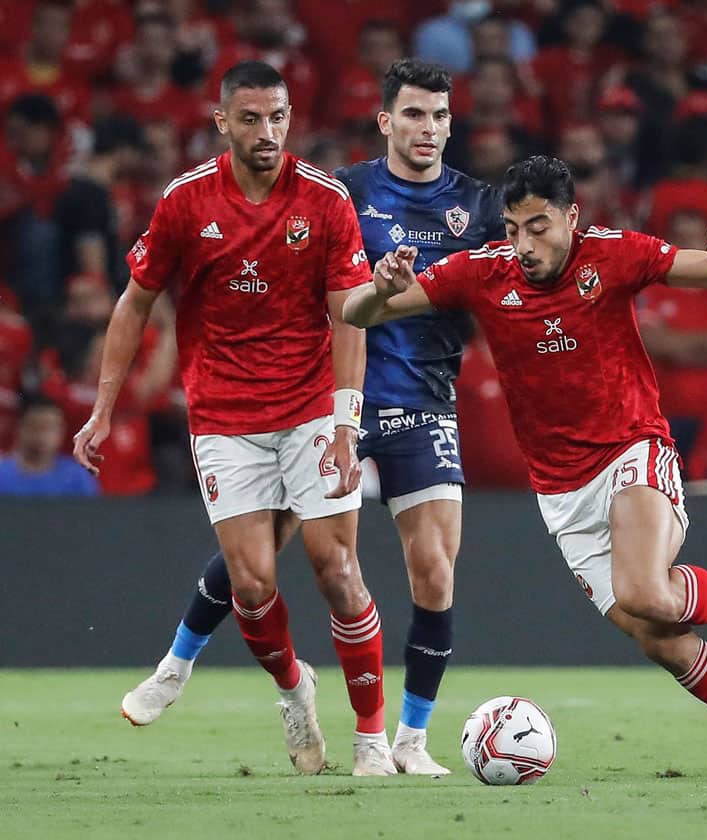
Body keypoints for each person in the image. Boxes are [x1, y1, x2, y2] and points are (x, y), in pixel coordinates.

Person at [344, 155, 707, 784]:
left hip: (631, 449)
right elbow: (356, 313)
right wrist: (382, 288)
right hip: (561, 492)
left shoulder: (613, 254)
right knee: (662, 640)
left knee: (645, 592)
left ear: (571, 218)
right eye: (513, 229)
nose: (524, 245)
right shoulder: (482, 271)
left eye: (539, 227)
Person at [117, 59, 505, 776]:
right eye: (412, 114)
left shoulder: (480, 205)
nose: (426, 128)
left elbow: (524, 273)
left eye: (439, 116)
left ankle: (405, 740)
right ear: (385, 121)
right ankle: (180, 660)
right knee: (254, 561)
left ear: (452, 125)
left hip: (418, 400)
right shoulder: (340, 190)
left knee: (426, 571)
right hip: (323, 395)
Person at [71, 61, 391, 777]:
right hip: (224, 414)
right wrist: (102, 409)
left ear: (290, 119)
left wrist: (346, 424)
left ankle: (372, 738)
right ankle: (294, 691)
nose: (267, 131)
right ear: (222, 123)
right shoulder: (186, 200)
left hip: (310, 408)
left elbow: (349, 317)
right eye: (250, 118)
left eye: (277, 117)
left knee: (337, 571)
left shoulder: (325, 199)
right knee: (250, 584)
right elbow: (134, 301)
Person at [0, 395, 98, 497]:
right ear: (19, 428)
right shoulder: (2, 473)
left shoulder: (77, 476)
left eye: (49, 427)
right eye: (35, 427)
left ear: (61, 431)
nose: (42, 434)